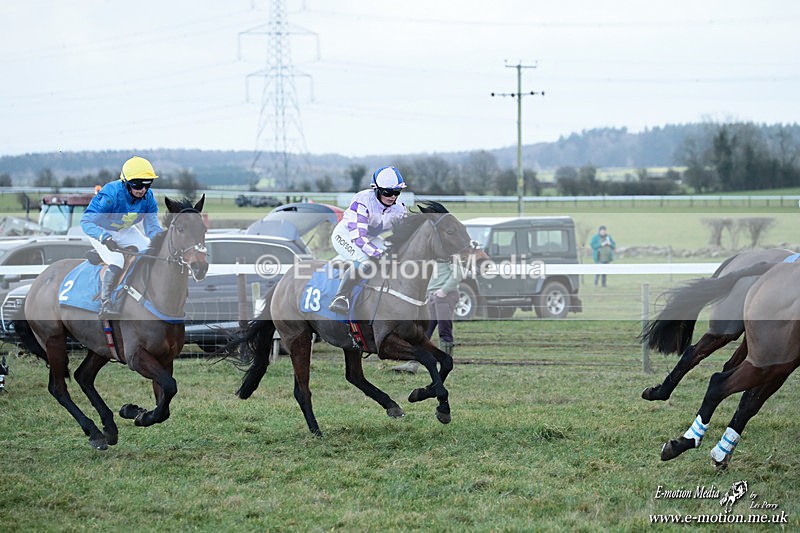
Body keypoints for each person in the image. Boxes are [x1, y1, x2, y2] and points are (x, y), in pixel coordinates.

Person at [80, 156, 164, 318]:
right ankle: (106, 303)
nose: (143, 190)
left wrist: (162, 241)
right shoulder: (110, 194)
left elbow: (153, 228)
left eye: (147, 184)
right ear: (126, 182)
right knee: (117, 260)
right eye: (138, 184)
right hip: (101, 230)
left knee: (149, 251)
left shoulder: (149, 198)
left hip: (125, 229)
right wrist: (104, 237)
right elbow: (86, 221)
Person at [328, 166, 408, 314]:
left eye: (397, 192)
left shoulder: (400, 209)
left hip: (370, 238)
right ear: (376, 189)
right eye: (388, 192)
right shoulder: (362, 200)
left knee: (393, 257)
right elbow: (359, 237)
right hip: (347, 235)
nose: (393, 197)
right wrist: (379, 254)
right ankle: (340, 297)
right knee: (365, 260)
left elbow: (404, 236)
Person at [393, 259, 462, 374]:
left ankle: (446, 365)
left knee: (444, 330)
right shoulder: (433, 255)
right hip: (432, 296)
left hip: (445, 295)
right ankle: (413, 363)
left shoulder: (451, 255)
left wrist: (444, 291)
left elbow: (458, 274)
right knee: (423, 332)